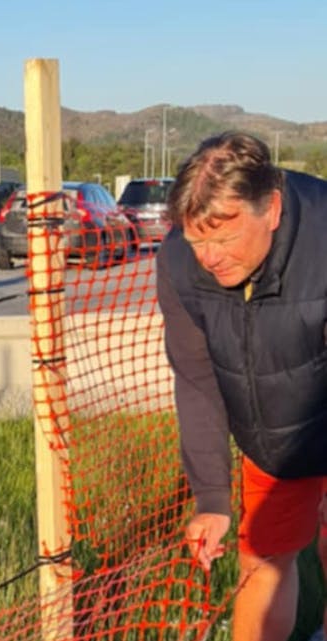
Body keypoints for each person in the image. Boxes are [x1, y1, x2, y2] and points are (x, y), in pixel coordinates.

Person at [157, 131, 327, 641]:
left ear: (271, 209)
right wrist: (211, 497)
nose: (209, 257)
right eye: (196, 240)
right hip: (272, 434)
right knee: (263, 562)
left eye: (224, 238)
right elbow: (196, 378)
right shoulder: (178, 261)